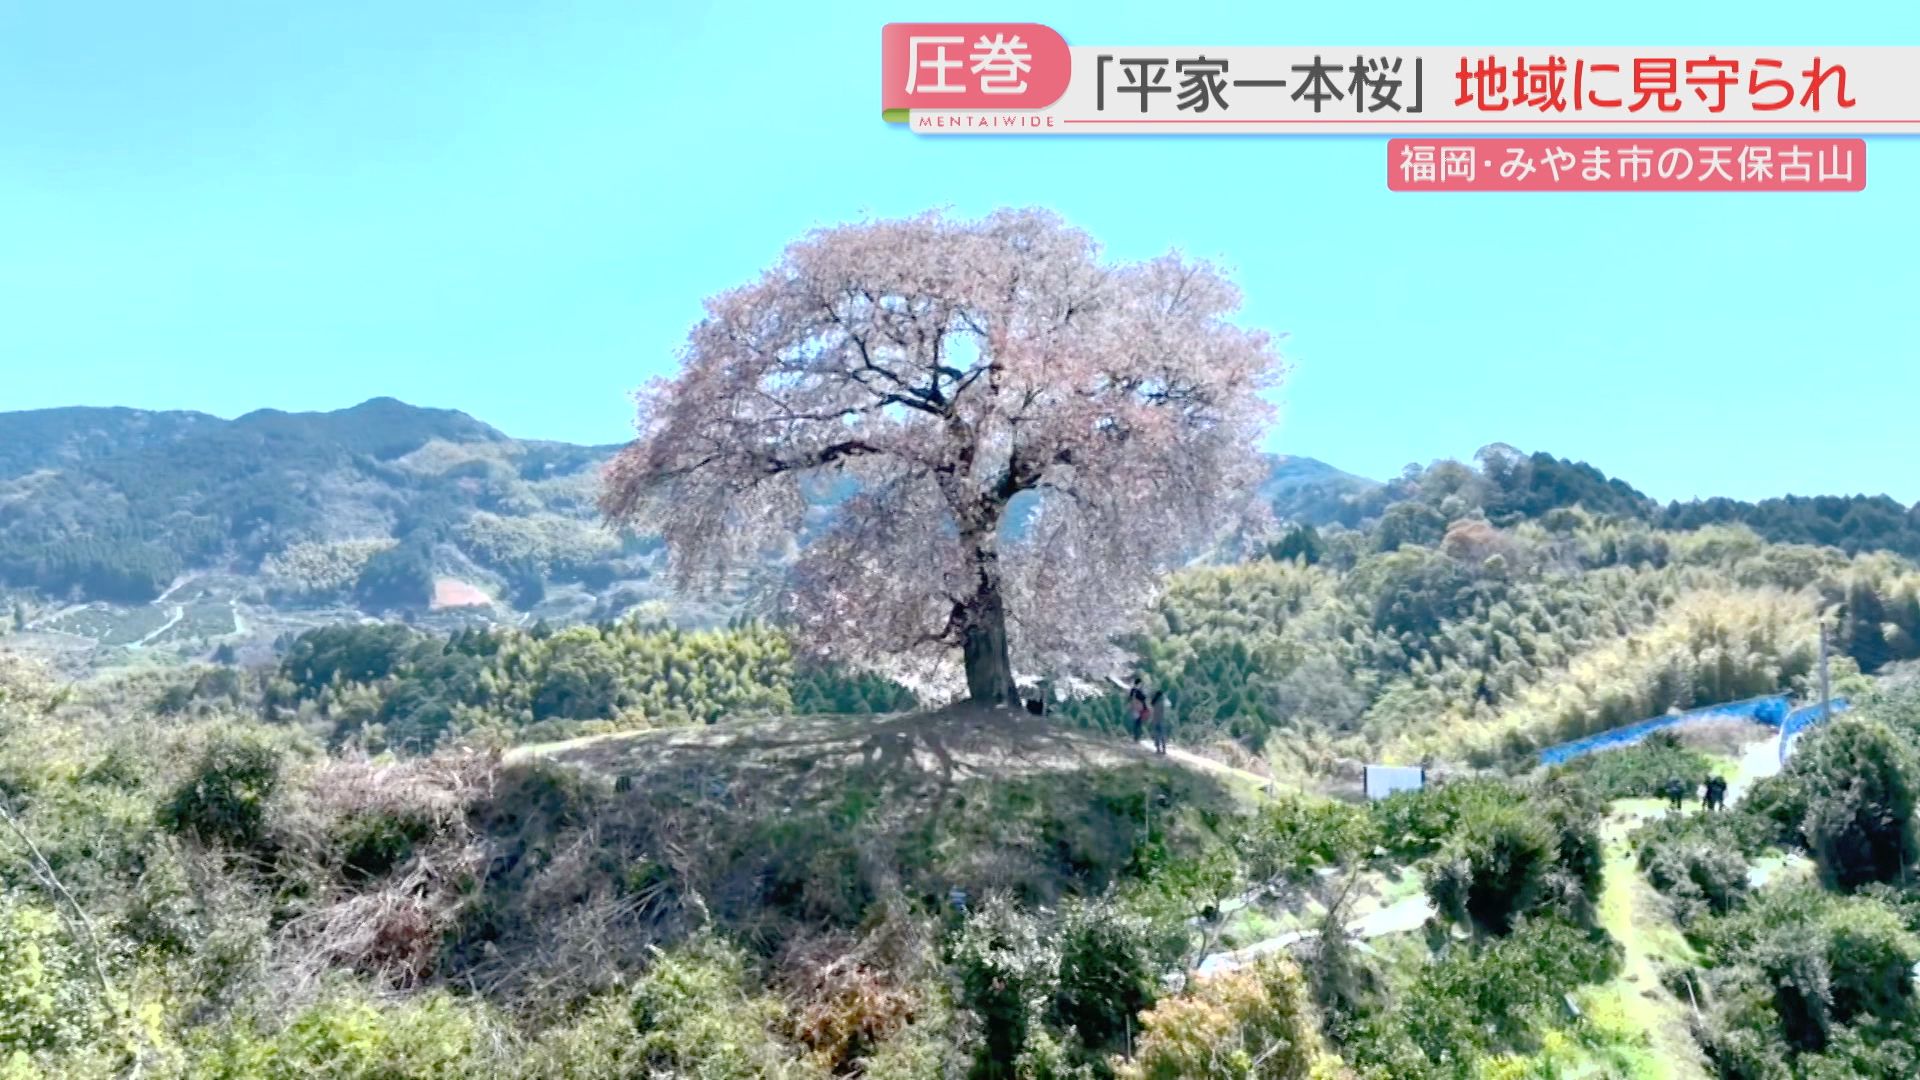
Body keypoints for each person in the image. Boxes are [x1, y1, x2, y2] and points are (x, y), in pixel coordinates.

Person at [1150, 689, 1171, 755]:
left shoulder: (1154, 703)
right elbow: (1167, 706)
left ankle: (1158, 749)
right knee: (1162, 735)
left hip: (1155, 720)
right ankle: (1164, 750)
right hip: (1161, 720)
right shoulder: (1162, 702)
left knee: (1157, 735)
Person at [1128, 677, 1148, 743]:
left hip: (1134, 708)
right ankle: (1137, 738)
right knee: (1138, 723)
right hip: (1139, 709)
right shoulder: (1138, 691)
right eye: (1141, 684)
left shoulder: (1133, 690)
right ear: (1139, 684)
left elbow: (1129, 698)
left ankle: (1136, 737)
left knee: (1136, 723)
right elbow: (1143, 698)